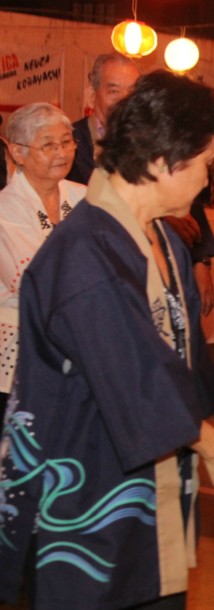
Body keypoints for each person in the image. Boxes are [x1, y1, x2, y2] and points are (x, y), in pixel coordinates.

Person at [0, 70, 214, 610]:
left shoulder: (165, 239)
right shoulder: (84, 252)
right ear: (166, 160)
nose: (208, 176)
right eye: (205, 162)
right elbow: (128, 372)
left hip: (149, 499)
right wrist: (206, 441)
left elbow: (182, 349)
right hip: (82, 498)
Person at [0, 103, 87, 418]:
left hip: (78, 353)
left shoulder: (85, 197)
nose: (61, 152)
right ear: (17, 153)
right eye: (48, 145)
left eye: (66, 142)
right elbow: (35, 283)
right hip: (18, 358)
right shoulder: (5, 210)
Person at [66, 52, 140, 185]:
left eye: (132, 92)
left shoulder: (150, 142)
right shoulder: (69, 141)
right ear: (92, 96)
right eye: (114, 91)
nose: (124, 100)